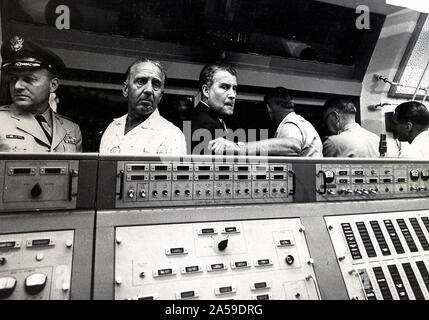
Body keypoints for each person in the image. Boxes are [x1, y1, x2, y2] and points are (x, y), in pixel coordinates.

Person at [0, 35, 82, 152]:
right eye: (13, 79)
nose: (18, 86)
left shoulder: (71, 128)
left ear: (53, 85)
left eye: (29, 79)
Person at [99, 58, 186, 155]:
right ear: (126, 90)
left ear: (160, 96)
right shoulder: (112, 128)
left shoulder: (171, 135)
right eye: (141, 81)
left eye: (156, 84)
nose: (149, 90)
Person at [209, 86, 323, 157]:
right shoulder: (304, 123)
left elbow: (293, 146)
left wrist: (238, 148)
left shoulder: (289, 125)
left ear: (269, 108)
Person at [189, 63, 238, 155]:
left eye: (234, 88)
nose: (232, 95)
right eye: (224, 87)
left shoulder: (211, 118)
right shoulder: (205, 124)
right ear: (206, 91)